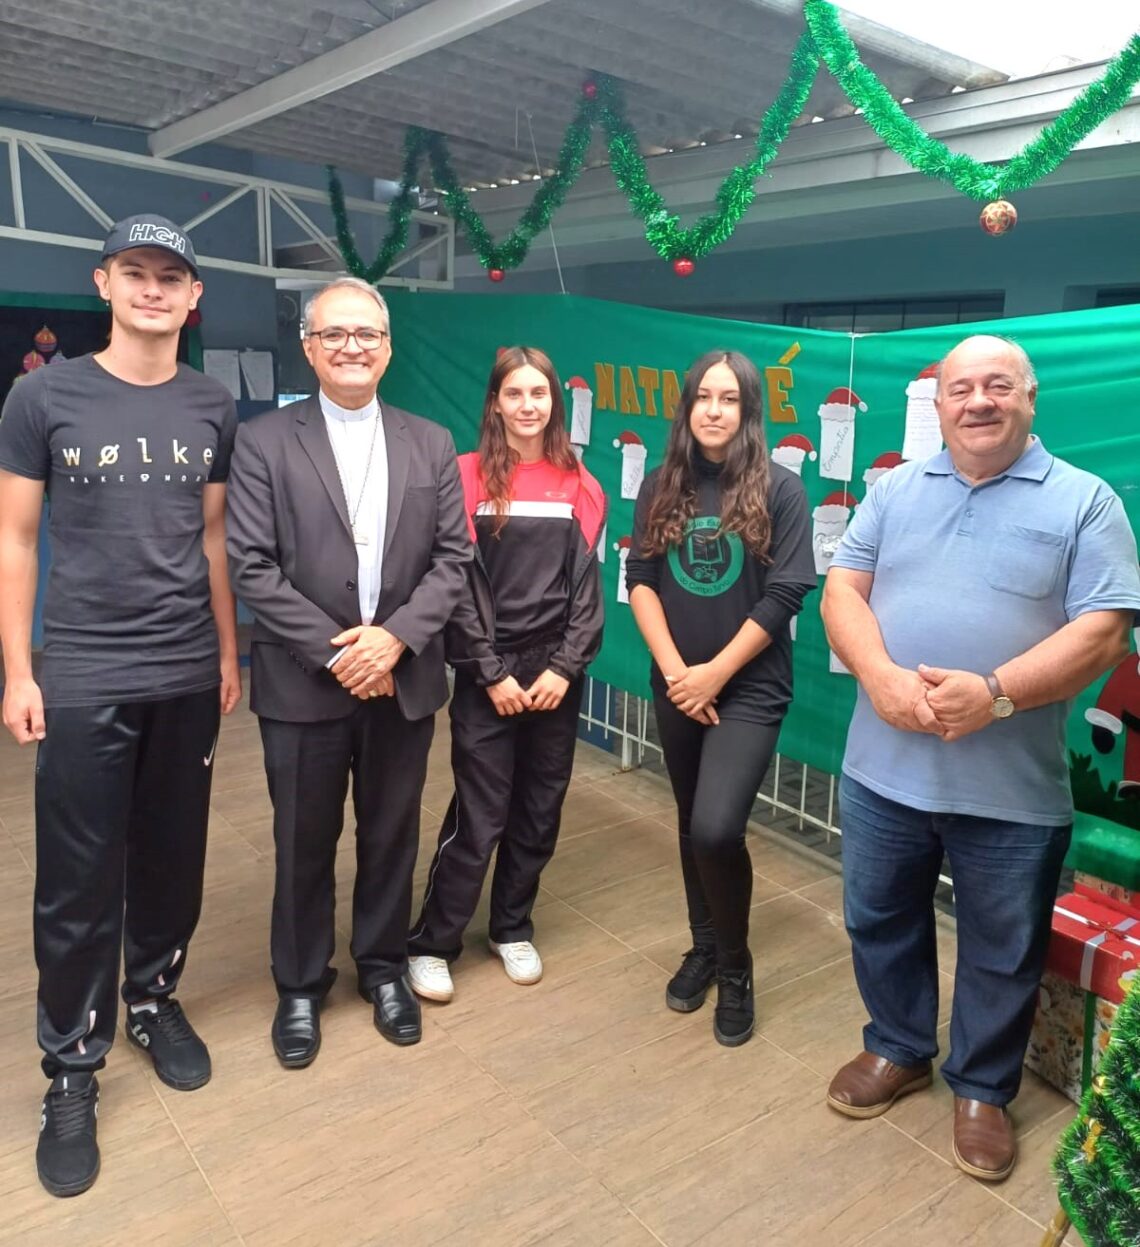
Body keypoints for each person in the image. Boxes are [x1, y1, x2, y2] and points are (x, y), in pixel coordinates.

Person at [822, 334, 1140, 1182]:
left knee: (1004, 944)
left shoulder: (1085, 501)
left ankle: (983, 1089)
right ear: (940, 404)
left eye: (999, 385)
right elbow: (842, 590)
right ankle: (897, 1045)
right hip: (883, 771)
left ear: (1030, 398)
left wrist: (995, 694)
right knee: (878, 918)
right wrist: (881, 677)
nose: (979, 401)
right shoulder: (894, 489)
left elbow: (1105, 632)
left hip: (1012, 791)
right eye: (961, 388)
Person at [0, 214, 240, 1198]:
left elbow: (213, 538)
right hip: (85, 669)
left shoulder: (213, 404)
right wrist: (19, 671)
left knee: (172, 856)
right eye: (134, 271)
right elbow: (16, 538)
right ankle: (70, 1064)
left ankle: (152, 998)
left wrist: (228, 651)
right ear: (104, 283)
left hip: (185, 669)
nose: (152, 288)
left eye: (170, 276)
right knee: (78, 877)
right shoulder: (42, 396)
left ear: (193, 297)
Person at [225, 277, 469, 1069]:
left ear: (388, 347)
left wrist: (392, 641)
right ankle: (300, 984)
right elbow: (251, 565)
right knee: (302, 838)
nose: (352, 346)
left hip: (403, 678)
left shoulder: (430, 442)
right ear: (310, 347)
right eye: (334, 333)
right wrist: (342, 652)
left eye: (367, 333)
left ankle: (383, 965)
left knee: (391, 831)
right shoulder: (264, 441)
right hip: (304, 682)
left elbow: (453, 559)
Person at [626, 349, 816, 1047]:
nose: (713, 410)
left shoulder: (782, 490)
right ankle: (704, 945)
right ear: (687, 407)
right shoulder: (660, 484)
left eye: (729, 398)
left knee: (715, 827)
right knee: (689, 821)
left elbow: (787, 591)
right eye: (703, 396)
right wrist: (679, 671)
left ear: (748, 410)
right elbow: (640, 576)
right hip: (677, 680)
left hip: (749, 688)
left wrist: (715, 674)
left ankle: (735, 967)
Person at [406, 346, 605, 1002]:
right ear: (495, 402)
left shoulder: (581, 484)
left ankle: (512, 926)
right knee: (481, 814)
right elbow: (455, 588)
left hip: (554, 677)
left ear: (554, 402)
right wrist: (489, 672)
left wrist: (565, 668)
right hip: (486, 673)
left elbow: (585, 595)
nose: (527, 405)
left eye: (539, 393)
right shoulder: (464, 476)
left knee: (540, 808)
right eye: (514, 393)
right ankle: (432, 942)